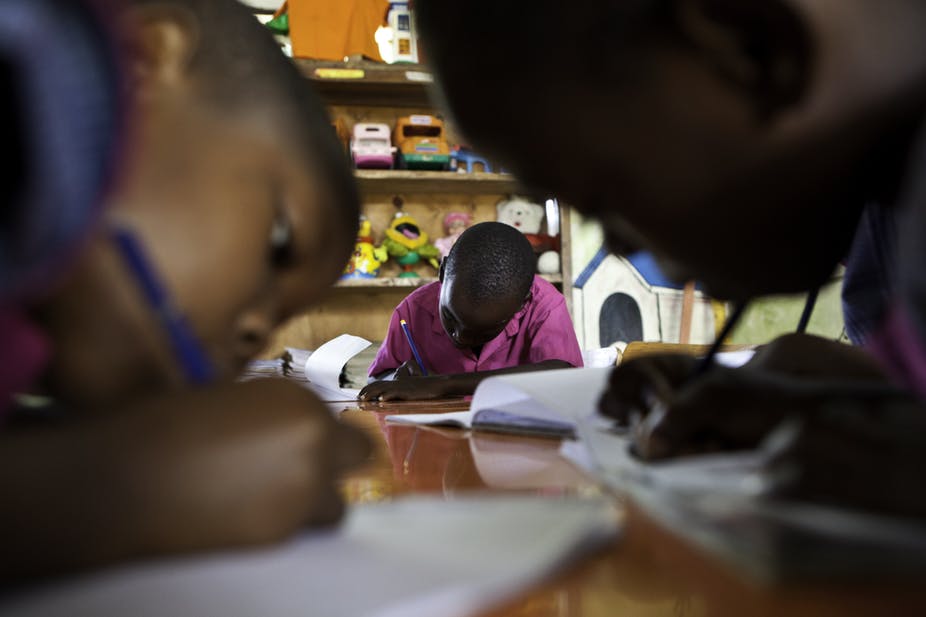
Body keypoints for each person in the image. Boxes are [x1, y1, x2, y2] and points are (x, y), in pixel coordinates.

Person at [413, 0, 926, 517]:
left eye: (608, 197)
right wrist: (853, 393)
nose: (622, 248)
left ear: (745, 47)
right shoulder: (884, 220)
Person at [1, 0, 370, 579]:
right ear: (144, 59)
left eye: (274, 325)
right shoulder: (36, 57)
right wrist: (118, 488)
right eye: (279, 242)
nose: (255, 332)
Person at [360, 222, 582, 401]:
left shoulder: (544, 304)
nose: (461, 337)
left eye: (483, 331)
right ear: (443, 273)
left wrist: (444, 384)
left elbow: (561, 374)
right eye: (450, 317)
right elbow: (376, 379)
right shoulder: (412, 311)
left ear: (522, 304)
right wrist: (397, 379)